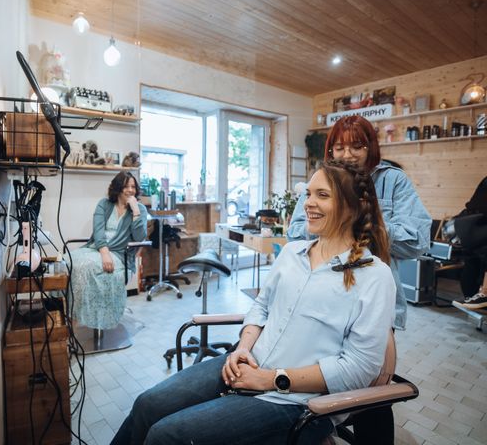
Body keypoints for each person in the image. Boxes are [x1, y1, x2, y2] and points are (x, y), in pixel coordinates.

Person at [111, 161, 396, 445]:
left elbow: (358, 369)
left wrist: (270, 379)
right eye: (308, 194)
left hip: (295, 402)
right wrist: (243, 350)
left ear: (353, 207)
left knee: (166, 436)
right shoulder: (292, 252)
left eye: (322, 195)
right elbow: (261, 307)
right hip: (246, 365)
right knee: (147, 404)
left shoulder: (374, 277)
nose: (308, 203)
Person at [287, 115, 431, 444]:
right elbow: (297, 232)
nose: (347, 154)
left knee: (374, 391)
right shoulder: (321, 179)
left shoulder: (392, 181)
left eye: (357, 146)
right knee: (314, 372)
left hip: (373, 298)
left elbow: (417, 239)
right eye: (338, 147)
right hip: (320, 295)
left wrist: (359, 219)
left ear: (372, 147)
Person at [70, 171, 148, 330]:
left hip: (121, 254)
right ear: (118, 188)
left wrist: (136, 212)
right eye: (126, 186)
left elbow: (140, 237)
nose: (130, 190)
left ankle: (93, 320)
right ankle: (72, 315)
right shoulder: (104, 204)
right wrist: (104, 253)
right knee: (67, 262)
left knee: (87, 267)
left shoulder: (139, 209)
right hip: (97, 249)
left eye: (133, 186)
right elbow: (98, 231)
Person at [451, 176, 487, 309]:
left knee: (472, 261)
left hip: (472, 228)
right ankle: (482, 295)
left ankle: (476, 296)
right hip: (478, 225)